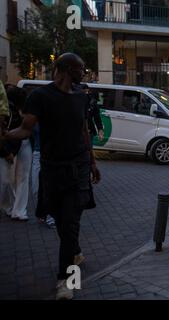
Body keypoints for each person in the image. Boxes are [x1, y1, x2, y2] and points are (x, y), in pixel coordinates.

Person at [1, 53, 101, 300]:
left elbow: (83, 130)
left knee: (69, 222)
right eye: (79, 69)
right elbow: (25, 130)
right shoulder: (40, 96)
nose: (83, 73)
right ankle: (74, 251)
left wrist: (92, 161)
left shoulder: (80, 97)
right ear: (66, 69)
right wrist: (5, 136)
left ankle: (64, 281)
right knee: (59, 217)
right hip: (52, 169)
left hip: (77, 168)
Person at [0, 86, 32, 221]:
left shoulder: (24, 111)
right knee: (7, 180)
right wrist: (8, 152)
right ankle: (10, 207)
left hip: (23, 144)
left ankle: (18, 210)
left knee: (21, 178)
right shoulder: (7, 112)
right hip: (9, 147)